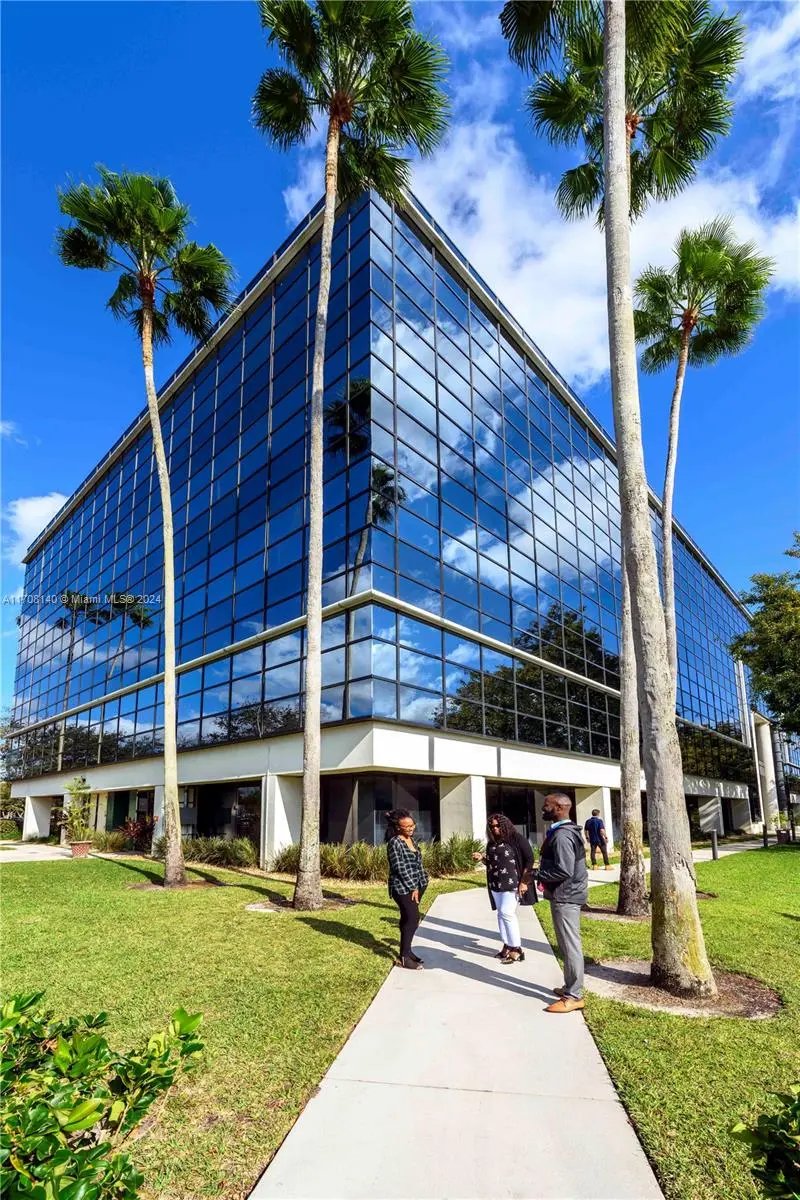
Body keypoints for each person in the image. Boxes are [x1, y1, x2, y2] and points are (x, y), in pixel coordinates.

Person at [538, 792, 588, 1013]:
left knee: (570, 945)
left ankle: (574, 996)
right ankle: (569, 987)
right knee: (566, 945)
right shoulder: (566, 831)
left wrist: (537, 874)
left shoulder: (562, 836)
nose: (543, 808)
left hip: (566, 896)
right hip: (565, 894)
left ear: (558, 807)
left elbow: (564, 870)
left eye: (546, 805)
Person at [472, 813, 535, 963]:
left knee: (507, 913)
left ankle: (516, 948)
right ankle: (507, 944)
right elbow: (492, 862)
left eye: (497, 825)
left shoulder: (516, 839)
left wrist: (524, 882)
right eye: (491, 826)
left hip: (512, 884)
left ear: (504, 824)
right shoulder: (492, 842)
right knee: (501, 914)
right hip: (495, 884)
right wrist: (482, 858)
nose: (494, 828)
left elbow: (529, 859)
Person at [386, 809, 428, 970]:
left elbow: (417, 863)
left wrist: (424, 880)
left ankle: (408, 951)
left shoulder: (412, 840)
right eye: (407, 826)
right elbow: (399, 868)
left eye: (412, 825)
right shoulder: (395, 842)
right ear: (398, 827)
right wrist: (413, 887)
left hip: (418, 885)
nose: (411, 828)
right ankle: (404, 957)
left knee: (407, 919)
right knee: (412, 918)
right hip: (403, 888)